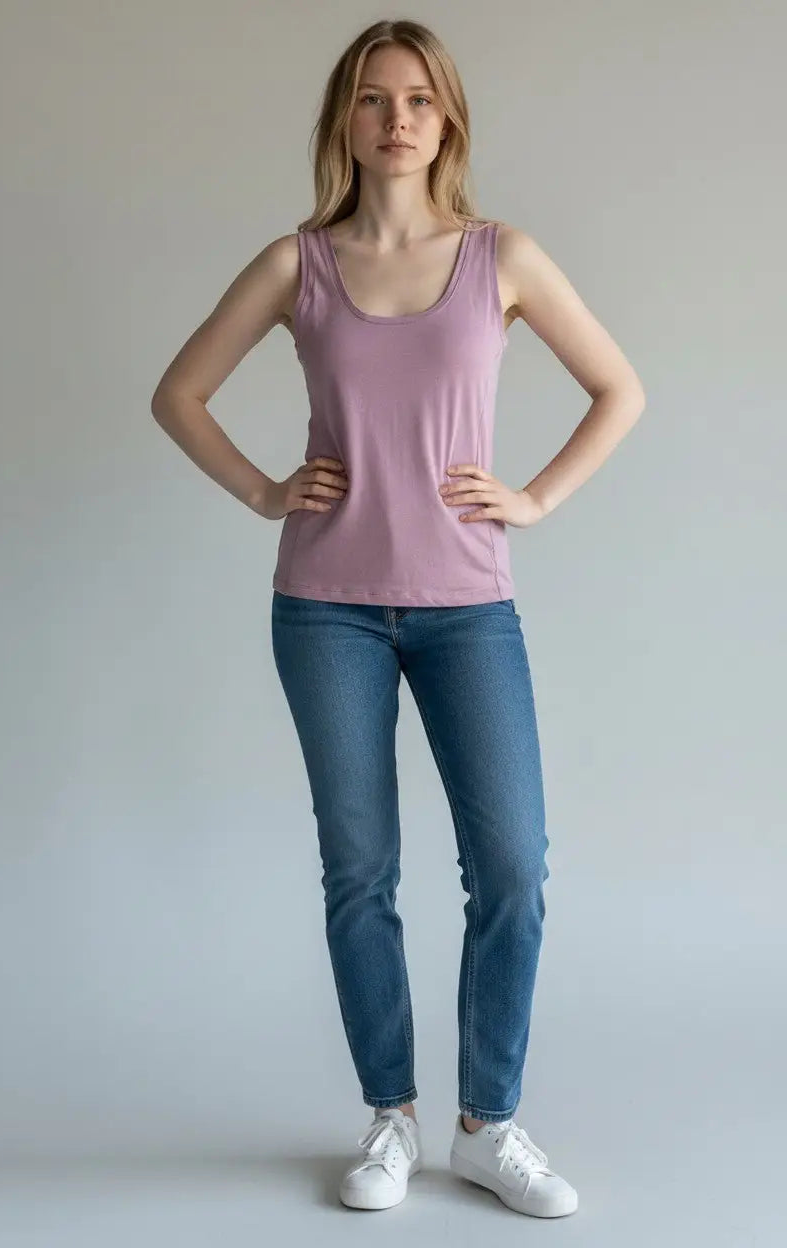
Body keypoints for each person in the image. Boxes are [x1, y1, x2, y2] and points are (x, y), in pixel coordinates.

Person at [151, 17, 644, 1220]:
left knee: (513, 869)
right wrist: (269, 489)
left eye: (419, 99)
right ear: (345, 122)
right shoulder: (296, 266)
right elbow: (178, 393)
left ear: (448, 118)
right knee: (360, 872)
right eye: (373, 100)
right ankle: (389, 1118)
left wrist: (531, 496)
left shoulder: (502, 258)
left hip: (468, 609)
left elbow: (618, 388)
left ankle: (487, 1125)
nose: (397, 119)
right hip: (325, 610)